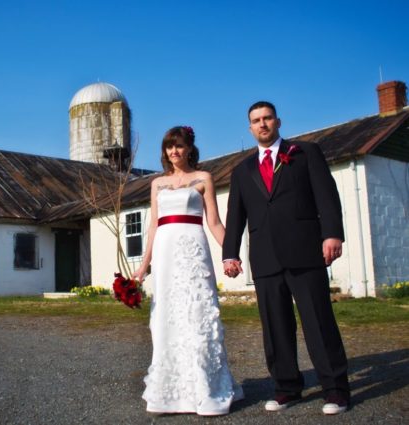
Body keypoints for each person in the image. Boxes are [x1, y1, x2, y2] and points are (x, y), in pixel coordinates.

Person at [222, 101, 350, 415]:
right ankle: (287, 388)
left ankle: (336, 390)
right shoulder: (242, 170)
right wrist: (229, 254)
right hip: (265, 259)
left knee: (319, 323)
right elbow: (235, 215)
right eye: (256, 120)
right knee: (275, 327)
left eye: (267, 118)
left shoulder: (306, 153)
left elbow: (326, 195)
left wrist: (332, 233)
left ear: (278, 122)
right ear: (249, 127)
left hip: (306, 252)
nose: (262, 124)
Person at [133, 126, 243, 416]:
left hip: (193, 250)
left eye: (179, 146)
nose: (174, 152)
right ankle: (169, 393)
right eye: (169, 147)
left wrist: (231, 254)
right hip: (165, 253)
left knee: (198, 312)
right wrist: (144, 266)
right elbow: (154, 225)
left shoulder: (203, 178)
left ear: (189, 149)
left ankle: (206, 388)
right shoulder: (157, 184)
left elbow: (216, 223)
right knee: (166, 316)